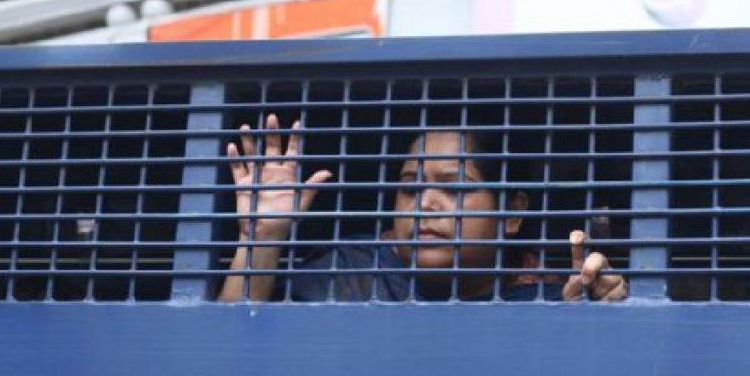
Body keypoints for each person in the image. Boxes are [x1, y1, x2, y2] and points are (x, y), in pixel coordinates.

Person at [217, 113, 627, 303]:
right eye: (411, 188)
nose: (425, 205)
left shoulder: (552, 298)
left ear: (513, 212)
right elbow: (232, 352)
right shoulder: (351, 272)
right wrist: (262, 238)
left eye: (454, 187)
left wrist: (591, 320)